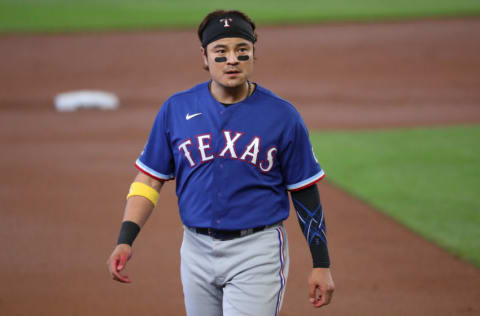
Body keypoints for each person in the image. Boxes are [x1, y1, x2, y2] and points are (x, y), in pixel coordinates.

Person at [107, 9, 335, 316]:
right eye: (221, 51)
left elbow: (305, 191)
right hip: (195, 249)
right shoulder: (176, 109)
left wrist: (321, 264)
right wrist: (125, 240)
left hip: (257, 251)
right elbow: (149, 180)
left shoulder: (282, 116)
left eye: (242, 51)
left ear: (254, 54)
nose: (232, 59)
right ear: (204, 57)